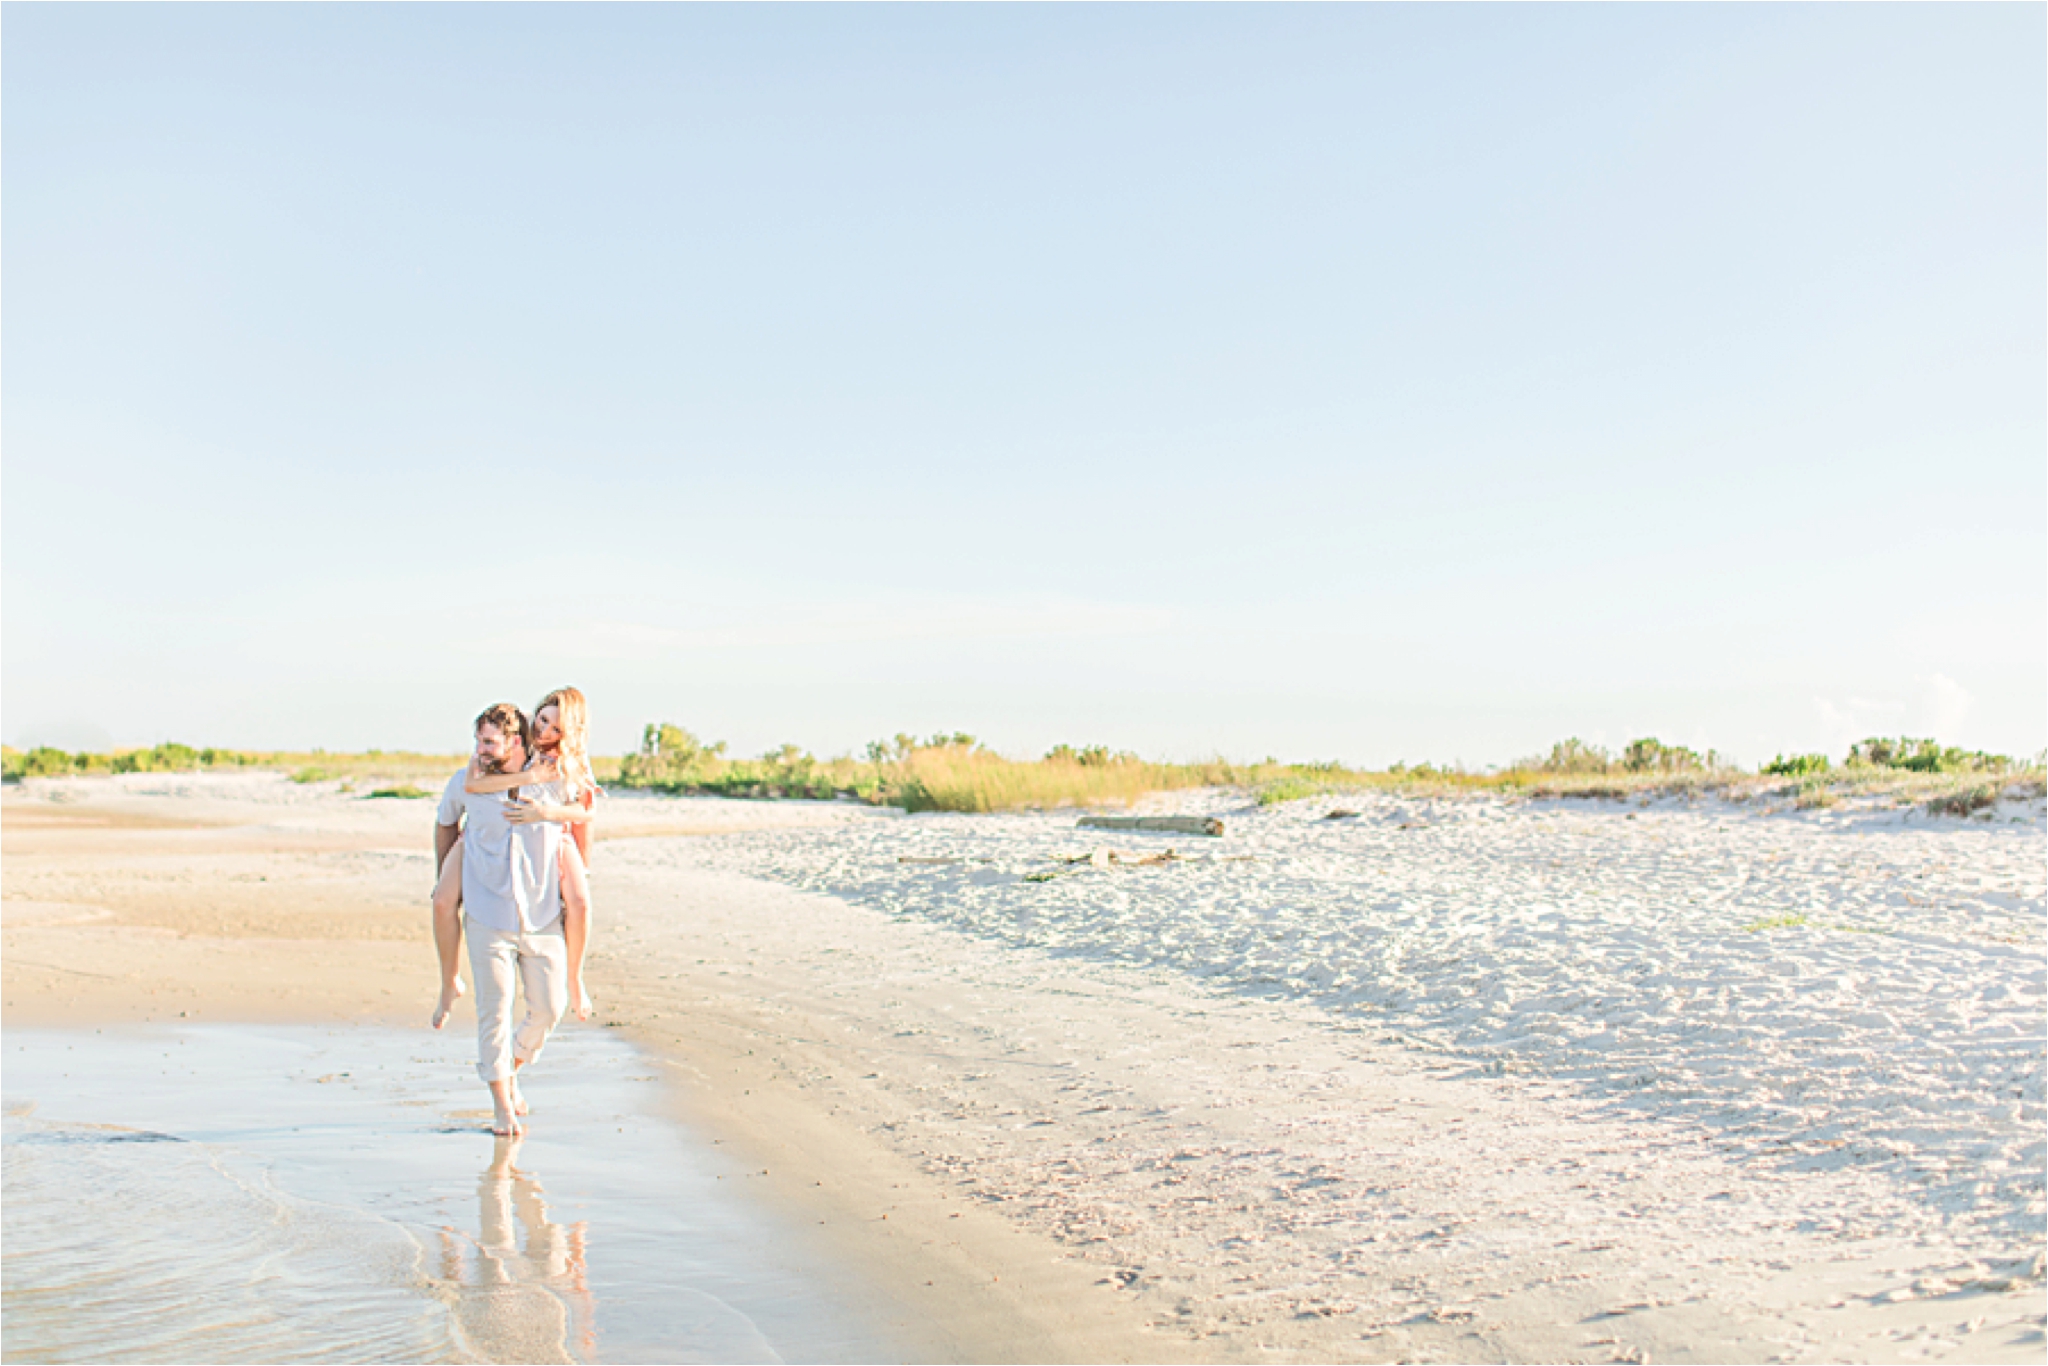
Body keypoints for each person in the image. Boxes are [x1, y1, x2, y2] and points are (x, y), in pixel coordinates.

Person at [431, 702, 572, 1137]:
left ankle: (510, 1071)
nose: (480, 750)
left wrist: (577, 881)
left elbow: (582, 817)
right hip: (487, 914)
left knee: (550, 1007)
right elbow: (445, 823)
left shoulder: (551, 780)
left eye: (489, 742)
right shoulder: (466, 783)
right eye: (477, 740)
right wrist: (448, 875)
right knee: (493, 1012)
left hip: (542, 915)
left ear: (515, 742)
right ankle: (501, 1108)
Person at [452, 688, 599, 1019]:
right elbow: (473, 785)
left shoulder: (572, 758)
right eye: (543, 720)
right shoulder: (517, 740)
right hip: (517, 834)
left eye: (555, 729)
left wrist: (545, 812)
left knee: (580, 901)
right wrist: (529, 777)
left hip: (555, 830)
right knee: (444, 896)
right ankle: (450, 981)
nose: (544, 732)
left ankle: (575, 979)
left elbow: (585, 813)